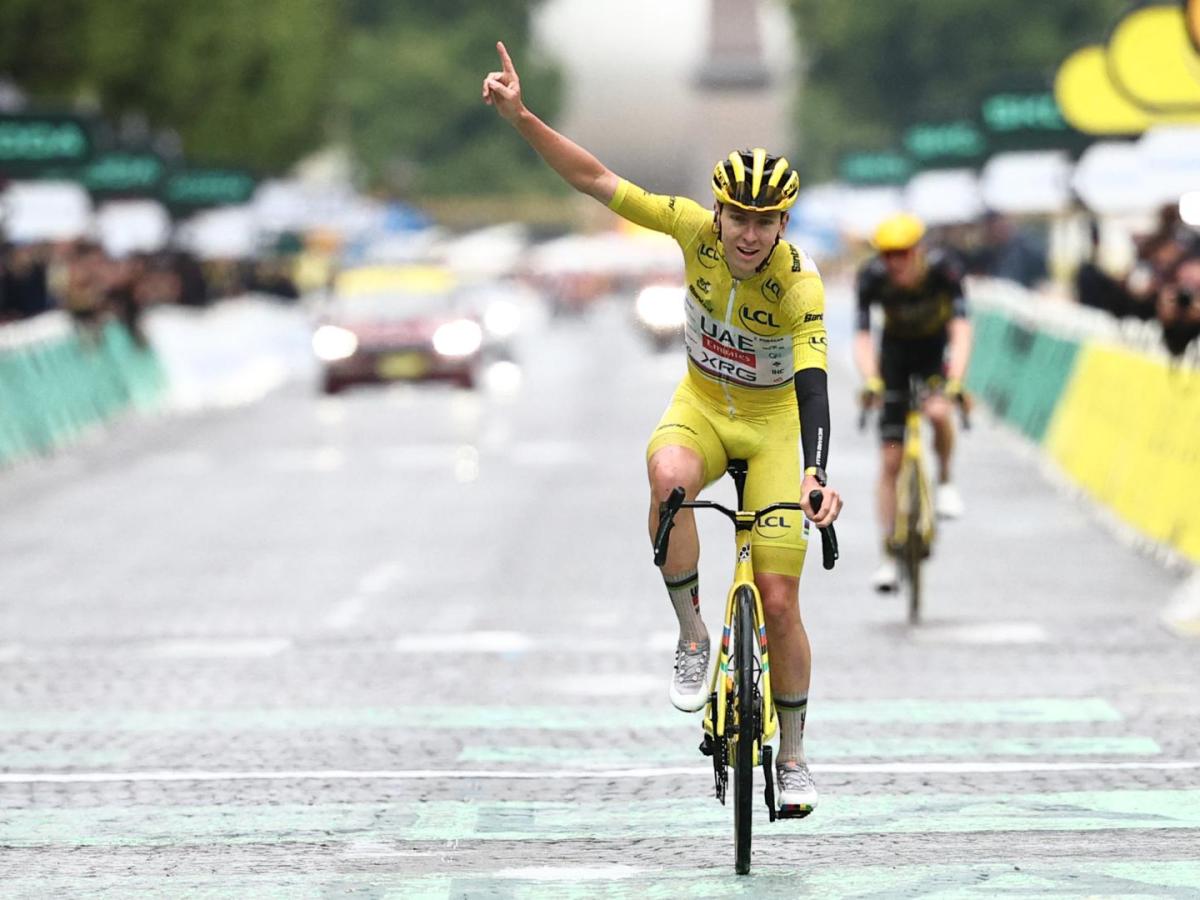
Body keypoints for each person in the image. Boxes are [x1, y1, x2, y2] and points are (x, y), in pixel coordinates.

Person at [483, 41, 842, 816]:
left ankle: (794, 756)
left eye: (765, 222)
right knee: (669, 480)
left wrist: (815, 473)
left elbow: (813, 383)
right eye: (739, 218)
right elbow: (594, 178)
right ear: (719, 213)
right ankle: (691, 634)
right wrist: (523, 119)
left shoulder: (798, 284)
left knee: (780, 601)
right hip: (703, 408)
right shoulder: (690, 231)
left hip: (775, 428)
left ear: (783, 222)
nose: (749, 235)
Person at [854, 213, 972, 592]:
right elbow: (862, 336)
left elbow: (961, 329)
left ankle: (946, 480)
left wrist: (956, 381)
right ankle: (889, 555)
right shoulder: (872, 277)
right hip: (895, 359)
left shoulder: (944, 270)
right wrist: (871, 379)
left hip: (934, 354)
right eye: (887, 255)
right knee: (890, 460)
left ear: (918, 250)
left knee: (937, 412)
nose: (895, 263)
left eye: (902, 254)